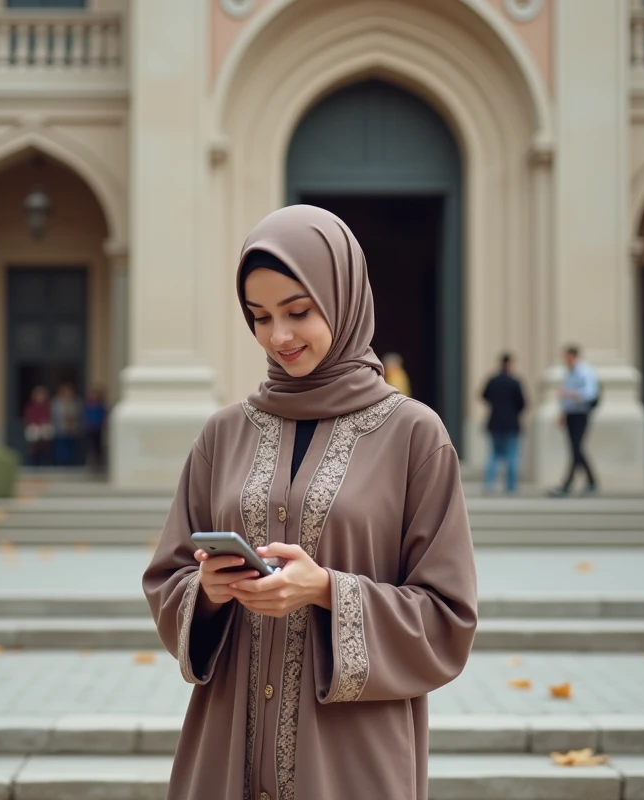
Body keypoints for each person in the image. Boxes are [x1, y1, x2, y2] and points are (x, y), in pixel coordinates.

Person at [142, 205, 478, 800]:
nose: (279, 336)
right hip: (226, 752)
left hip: (352, 763)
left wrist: (325, 591)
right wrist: (210, 593)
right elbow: (167, 578)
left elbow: (447, 619)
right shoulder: (224, 434)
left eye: (298, 311)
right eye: (260, 317)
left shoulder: (413, 436)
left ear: (343, 299)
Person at [549, 344, 599, 496]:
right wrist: (563, 413)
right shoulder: (568, 373)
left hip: (581, 414)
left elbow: (590, 393)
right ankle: (591, 481)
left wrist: (571, 394)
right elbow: (563, 397)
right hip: (570, 413)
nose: (566, 360)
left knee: (576, 448)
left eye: (568, 357)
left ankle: (567, 485)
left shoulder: (585, 372)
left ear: (575, 356)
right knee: (576, 449)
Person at [480, 352, 527, 494]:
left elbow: (483, 395)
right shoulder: (515, 382)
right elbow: (523, 403)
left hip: (495, 422)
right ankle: (511, 487)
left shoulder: (492, 381)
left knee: (493, 454)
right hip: (511, 422)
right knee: (512, 455)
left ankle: (489, 484)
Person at [50, 382, 84, 466]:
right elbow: (54, 415)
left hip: (73, 429)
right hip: (60, 430)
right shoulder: (55, 402)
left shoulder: (77, 402)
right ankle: (61, 464)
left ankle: (73, 464)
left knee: (73, 449)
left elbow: (79, 414)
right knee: (61, 449)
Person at [22, 386, 53, 466]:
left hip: (44, 428)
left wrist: (43, 422)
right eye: (38, 395)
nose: (40, 397)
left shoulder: (47, 407)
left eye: (42, 395)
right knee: (33, 440)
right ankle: (33, 463)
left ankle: (45, 463)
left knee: (45, 442)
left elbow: (48, 417)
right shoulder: (30, 407)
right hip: (34, 428)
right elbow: (29, 418)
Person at [83, 387, 108, 471]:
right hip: (90, 429)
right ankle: (90, 463)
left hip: (98, 429)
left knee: (98, 447)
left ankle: (99, 463)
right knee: (90, 446)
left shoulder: (101, 406)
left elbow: (103, 417)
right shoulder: (88, 406)